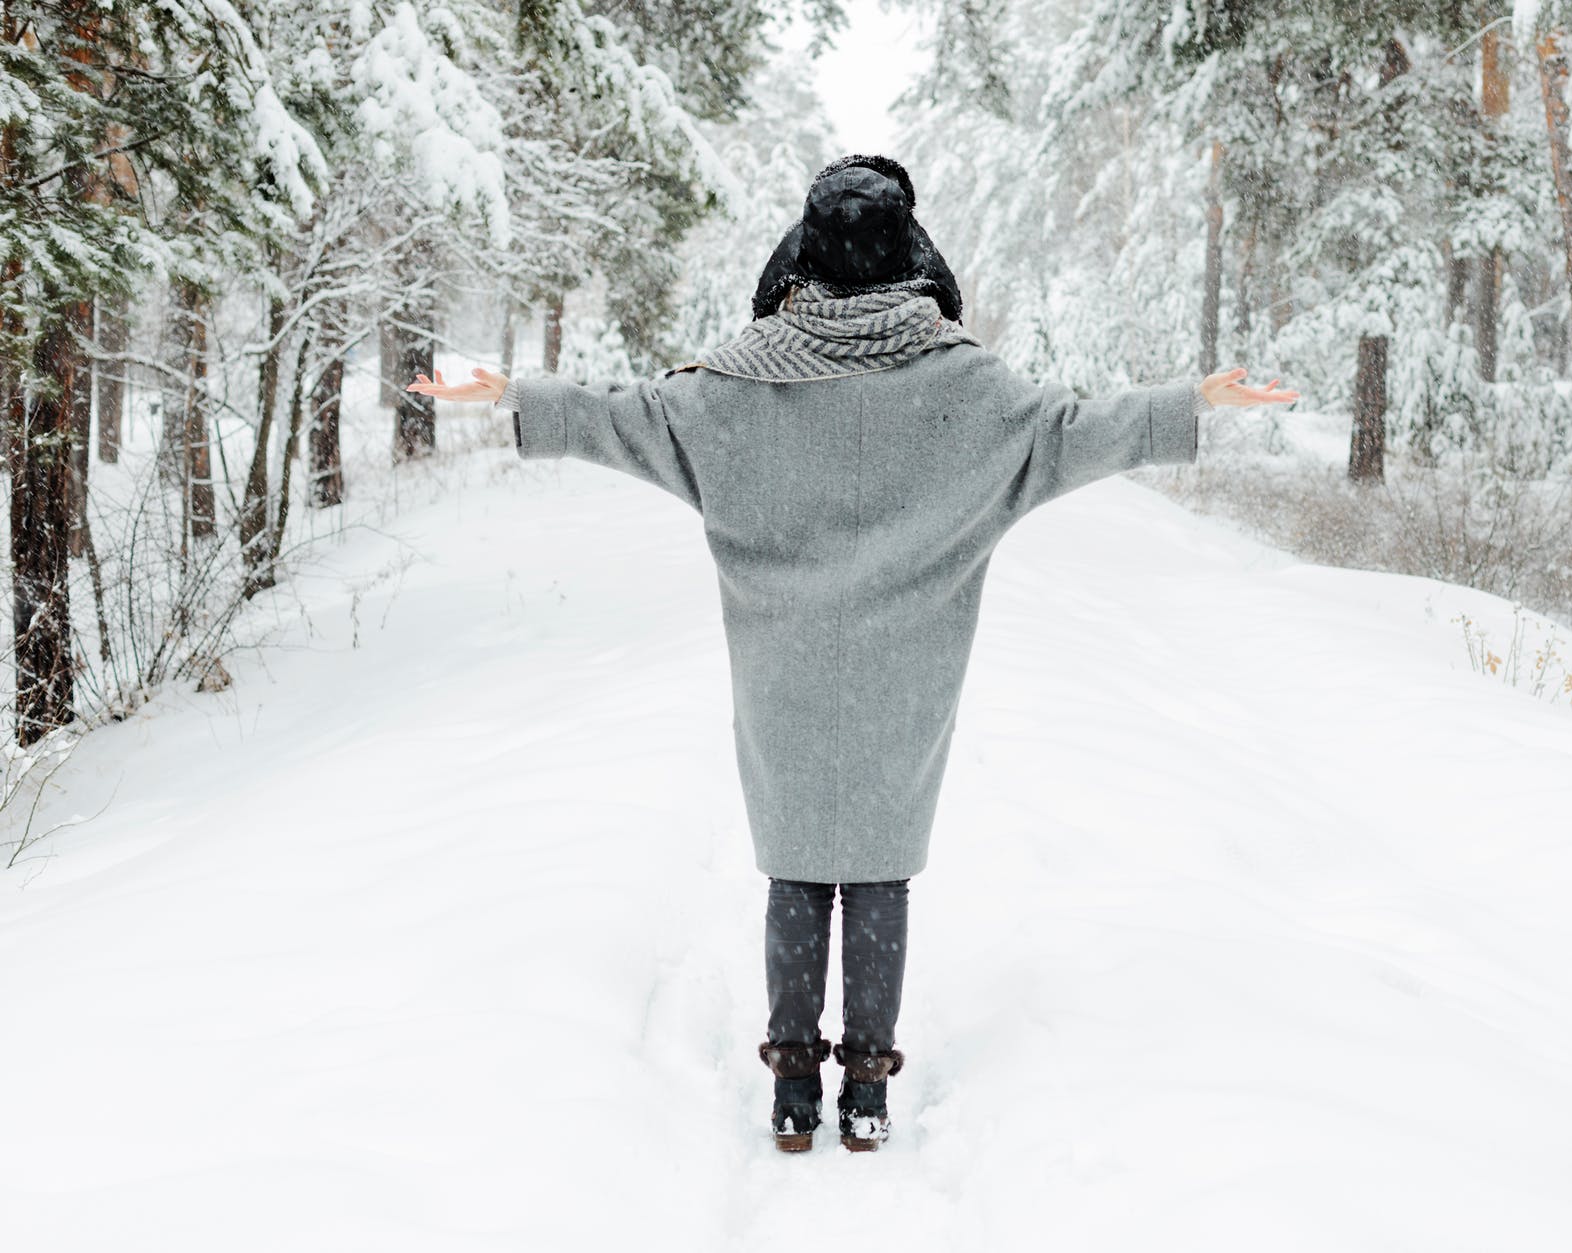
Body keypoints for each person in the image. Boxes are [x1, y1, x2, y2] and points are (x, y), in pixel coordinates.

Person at [409, 153, 1300, 1154]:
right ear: (909, 255)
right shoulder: (968, 389)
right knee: (877, 873)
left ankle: (792, 1086)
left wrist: (506, 392)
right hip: (902, 682)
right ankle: (866, 1092)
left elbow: (617, 416)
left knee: (794, 871)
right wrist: (1199, 400)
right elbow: (1074, 431)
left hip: (782, 676)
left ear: (805, 255)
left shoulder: (733, 386)